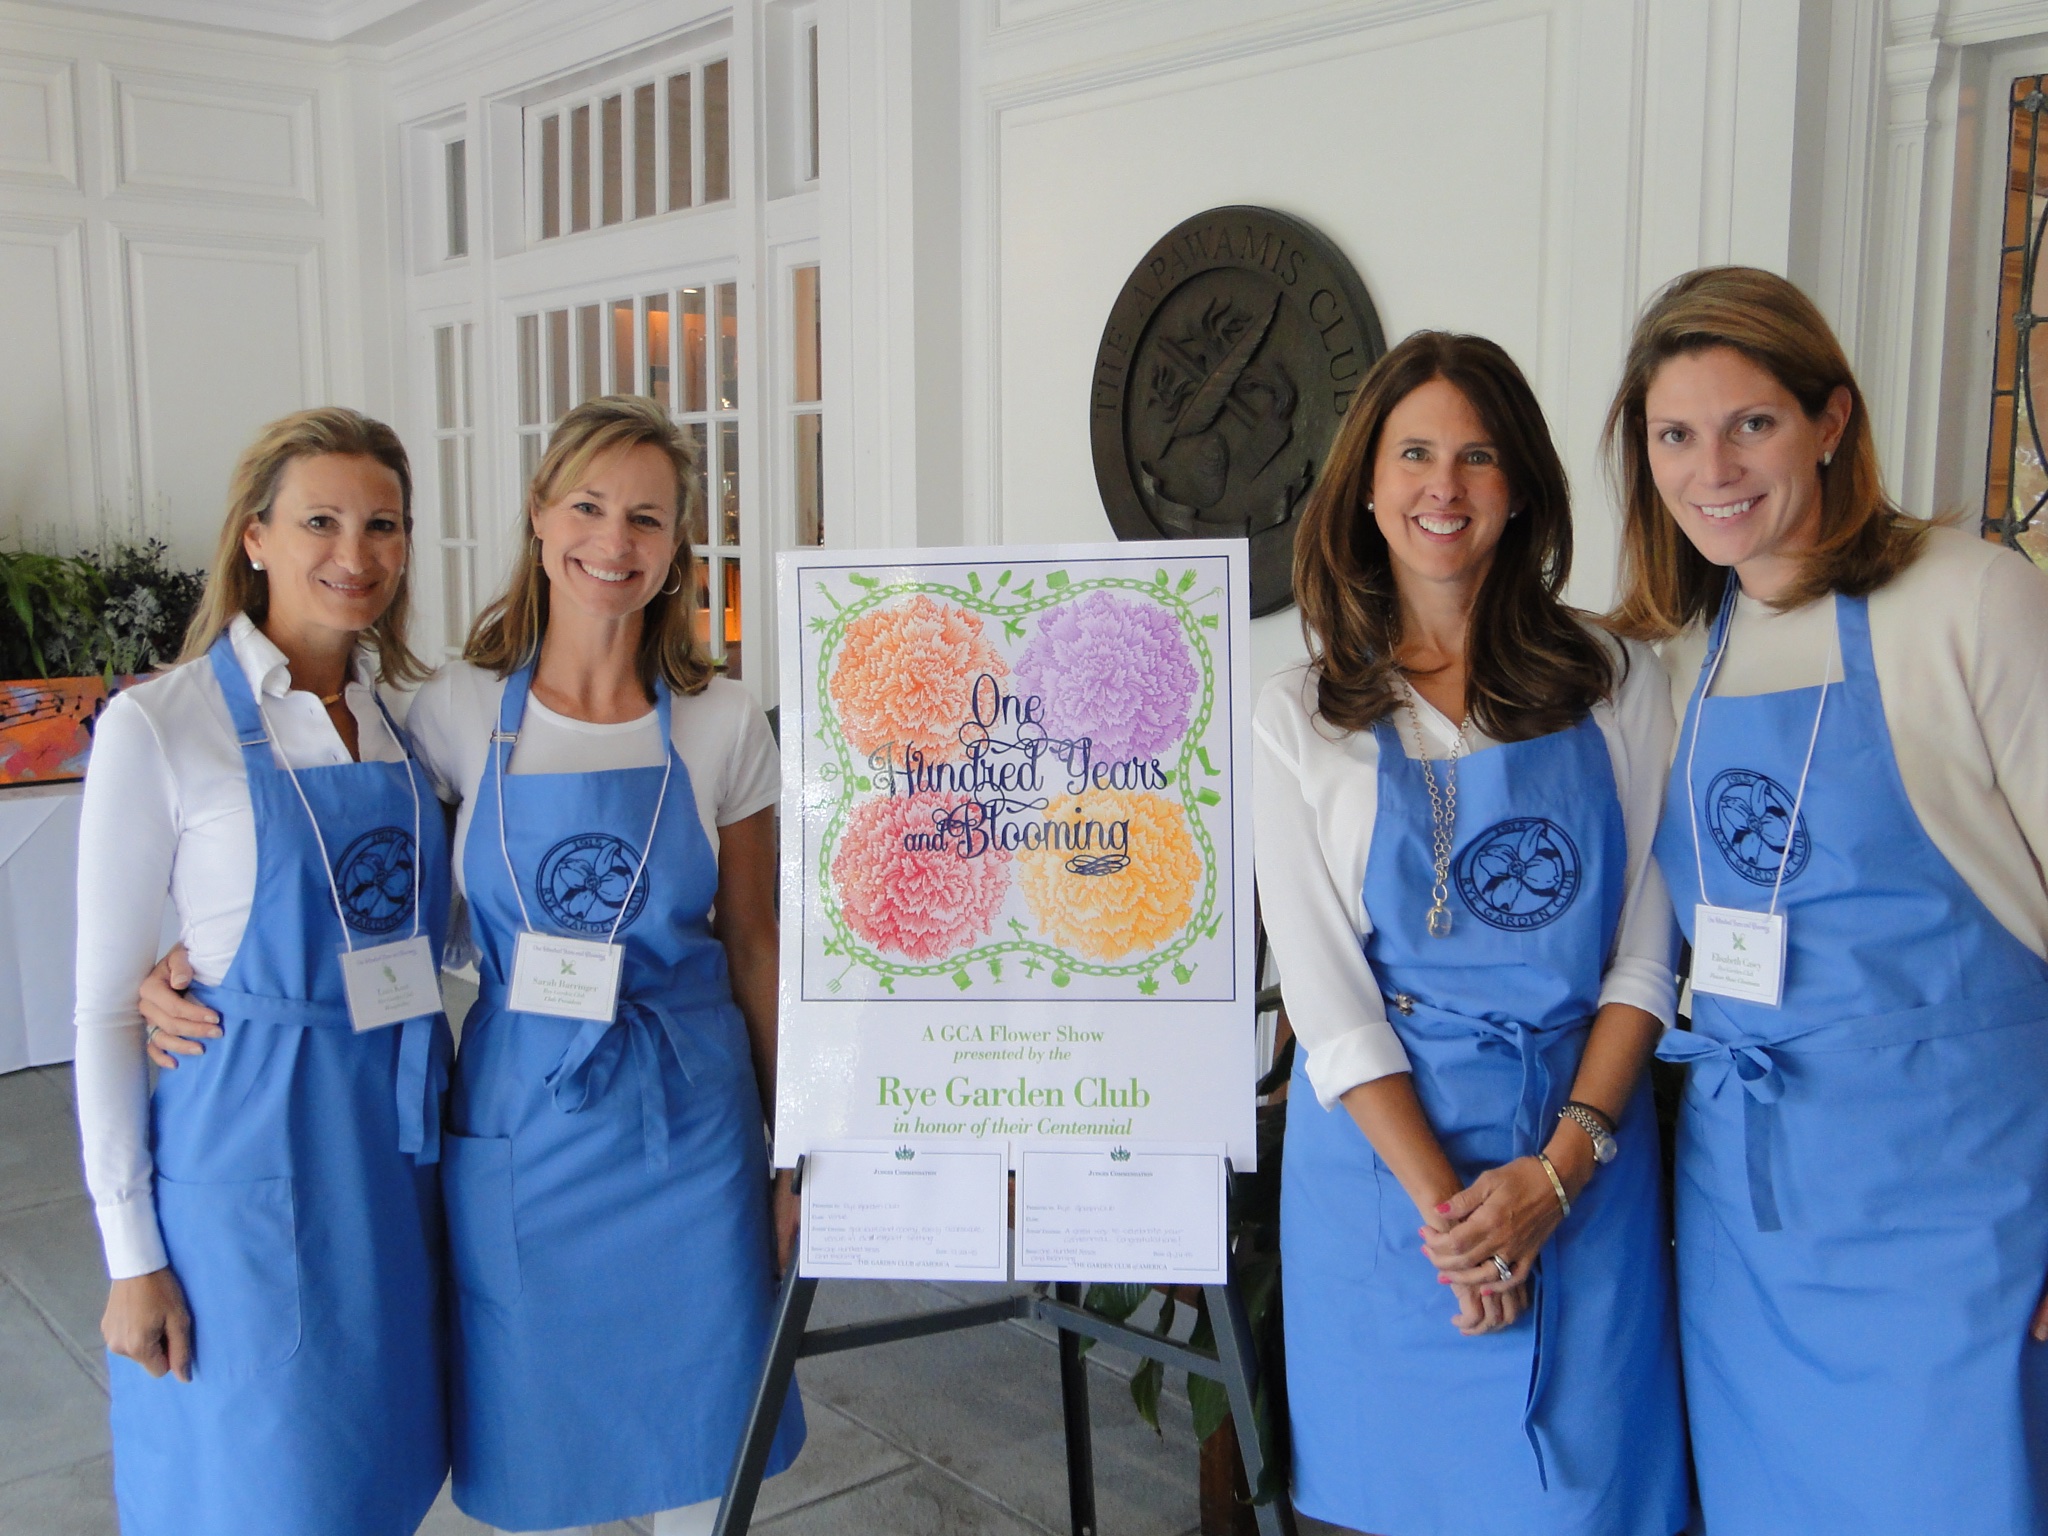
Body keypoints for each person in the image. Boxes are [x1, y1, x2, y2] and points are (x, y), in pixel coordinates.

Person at [1607, 266, 2048, 1534]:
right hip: (1752, 1221)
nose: (1710, 469)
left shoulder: (1970, 602)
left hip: (1970, 1212)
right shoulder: (1672, 663)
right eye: (1673, 436)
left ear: (1831, 421)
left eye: (1750, 422)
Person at [1256, 331, 1687, 1536]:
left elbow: (1643, 958)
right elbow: (1330, 1009)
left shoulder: (1614, 678)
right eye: (1413, 453)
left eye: (1476, 455)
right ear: (1366, 482)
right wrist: (1462, 1228)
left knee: (1582, 1503)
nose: (1442, 486)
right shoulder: (1295, 713)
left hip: (1580, 1161)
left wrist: (1555, 1178)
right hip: (1390, 1195)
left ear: (1519, 488)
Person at [410, 394, 799, 1534]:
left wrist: (792, 1157)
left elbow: (758, 945)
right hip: (527, 1125)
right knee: (540, 1460)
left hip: (688, 1122)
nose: (612, 541)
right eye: (587, 506)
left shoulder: (720, 722)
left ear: (677, 547)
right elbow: (339, 867)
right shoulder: (455, 710)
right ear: (538, 516)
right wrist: (187, 953)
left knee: (700, 1472)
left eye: (646, 518)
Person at [74, 408, 451, 1536]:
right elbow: (99, 1011)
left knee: (373, 1465)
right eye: (320, 521)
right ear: (253, 538)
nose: (356, 553)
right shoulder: (160, 725)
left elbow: (453, 926)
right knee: (260, 1478)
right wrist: (130, 1253)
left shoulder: (407, 722)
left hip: (388, 1147)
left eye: (383, 524)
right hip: (247, 1143)